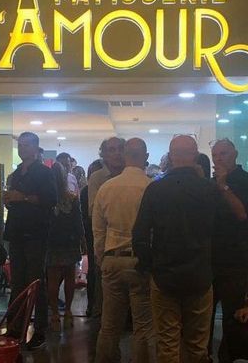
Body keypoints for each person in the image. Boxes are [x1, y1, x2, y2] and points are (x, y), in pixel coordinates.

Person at [133, 135, 216, 362]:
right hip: (200, 275)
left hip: (165, 276)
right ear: (196, 156)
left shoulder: (155, 189)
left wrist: (150, 266)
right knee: (197, 346)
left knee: (167, 344)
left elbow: (139, 235)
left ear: (170, 157)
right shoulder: (209, 190)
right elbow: (219, 233)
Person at [93, 138, 154, 363]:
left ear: (125, 156)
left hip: (112, 259)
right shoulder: (150, 187)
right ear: (146, 157)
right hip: (139, 262)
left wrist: (101, 257)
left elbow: (98, 230)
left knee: (109, 325)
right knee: (143, 326)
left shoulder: (106, 188)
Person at [3, 132, 57, 350]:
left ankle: (40, 329)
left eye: (26, 145)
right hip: (17, 232)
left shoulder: (44, 172)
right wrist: (9, 200)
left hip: (35, 234)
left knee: (36, 280)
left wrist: (23, 197)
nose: (22, 149)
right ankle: (15, 326)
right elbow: (14, 201)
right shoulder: (16, 174)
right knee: (17, 281)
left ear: (35, 148)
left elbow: (51, 199)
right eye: (20, 145)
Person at [209, 138, 248, 361]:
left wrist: (223, 186)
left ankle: (230, 358)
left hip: (235, 258)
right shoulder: (210, 183)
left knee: (233, 316)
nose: (219, 159)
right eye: (215, 155)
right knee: (206, 315)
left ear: (235, 154)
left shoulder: (246, 180)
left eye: (224, 153)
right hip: (211, 258)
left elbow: (241, 214)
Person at [87, 137, 126, 318]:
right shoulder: (97, 178)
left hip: (130, 244)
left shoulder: (133, 176)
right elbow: (94, 211)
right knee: (105, 301)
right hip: (107, 243)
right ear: (104, 154)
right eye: (112, 149)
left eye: (120, 149)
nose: (117, 153)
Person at [46, 162, 84, 332]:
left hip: (52, 242)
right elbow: (78, 221)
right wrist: (82, 240)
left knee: (52, 280)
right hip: (70, 242)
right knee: (69, 279)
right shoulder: (72, 198)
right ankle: (68, 311)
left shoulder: (48, 199)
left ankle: (55, 314)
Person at [81, 159, 104, 318]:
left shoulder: (85, 191)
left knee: (94, 270)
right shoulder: (86, 192)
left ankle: (93, 305)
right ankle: (93, 304)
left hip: (91, 234)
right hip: (92, 234)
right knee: (94, 270)